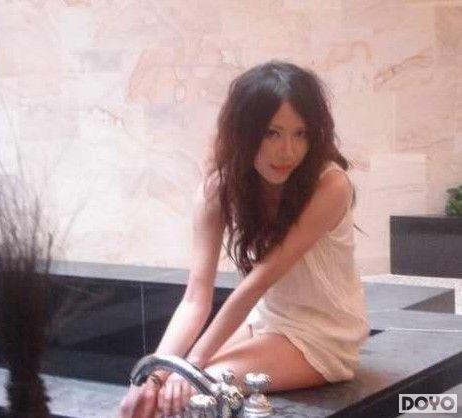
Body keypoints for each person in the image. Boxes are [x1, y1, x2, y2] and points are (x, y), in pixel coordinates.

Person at [119, 60, 370, 418]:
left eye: (300, 134)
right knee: (162, 388)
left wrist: (191, 367)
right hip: (265, 322)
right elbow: (195, 299)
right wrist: (154, 374)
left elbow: (259, 281)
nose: (287, 151)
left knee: (195, 389)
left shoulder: (330, 185)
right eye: (272, 133)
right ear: (244, 131)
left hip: (322, 336)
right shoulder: (219, 189)